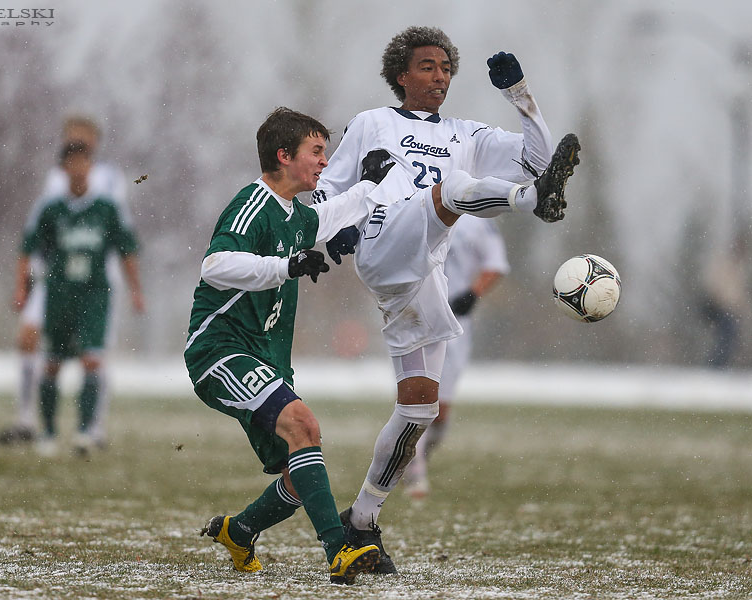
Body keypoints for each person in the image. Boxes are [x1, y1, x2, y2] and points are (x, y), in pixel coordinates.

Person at [314, 26, 581, 573]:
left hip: (423, 273)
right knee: (453, 189)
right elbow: (327, 188)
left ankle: (362, 518)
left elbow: (541, 157)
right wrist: (332, 229)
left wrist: (521, 96)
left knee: (419, 409)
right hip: (385, 244)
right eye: (427, 66)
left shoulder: (467, 132)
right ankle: (532, 206)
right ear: (400, 76)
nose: (439, 77)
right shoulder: (372, 123)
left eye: (445, 68)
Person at [186, 107, 404, 584]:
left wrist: (369, 186)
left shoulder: (295, 215)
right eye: (317, 152)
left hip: (265, 358)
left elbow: (327, 218)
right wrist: (283, 267)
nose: (325, 162)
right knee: (305, 425)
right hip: (219, 349)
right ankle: (339, 550)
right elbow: (216, 265)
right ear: (284, 156)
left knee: (300, 470)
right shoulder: (253, 203)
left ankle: (238, 531)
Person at [0, 115, 130, 447]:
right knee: (30, 338)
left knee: (95, 352)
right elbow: (38, 228)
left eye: (84, 137)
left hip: (96, 279)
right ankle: (28, 419)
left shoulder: (110, 178)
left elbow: (118, 227)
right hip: (55, 278)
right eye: (72, 136)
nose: (78, 142)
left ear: (95, 141)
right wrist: (27, 278)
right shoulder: (55, 178)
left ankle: (93, 427)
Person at [402, 215, 510, 499]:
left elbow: (495, 264)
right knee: (419, 398)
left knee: (441, 412)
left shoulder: (478, 221)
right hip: (416, 318)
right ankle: (415, 470)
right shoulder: (419, 207)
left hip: (455, 323)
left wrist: (472, 294)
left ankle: (415, 454)